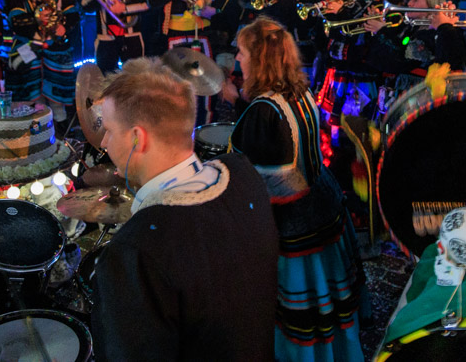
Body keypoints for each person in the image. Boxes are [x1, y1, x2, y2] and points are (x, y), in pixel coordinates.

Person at [92, 59, 279, 361]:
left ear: (138, 138)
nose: (103, 142)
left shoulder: (135, 253)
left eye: (110, 130)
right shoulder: (243, 175)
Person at [227, 19, 365, 362]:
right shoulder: (299, 90)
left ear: (259, 59)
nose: (236, 61)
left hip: (294, 224)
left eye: (242, 53)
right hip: (323, 200)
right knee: (328, 299)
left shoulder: (262, 111)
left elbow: (256, 179)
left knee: (300, 312)